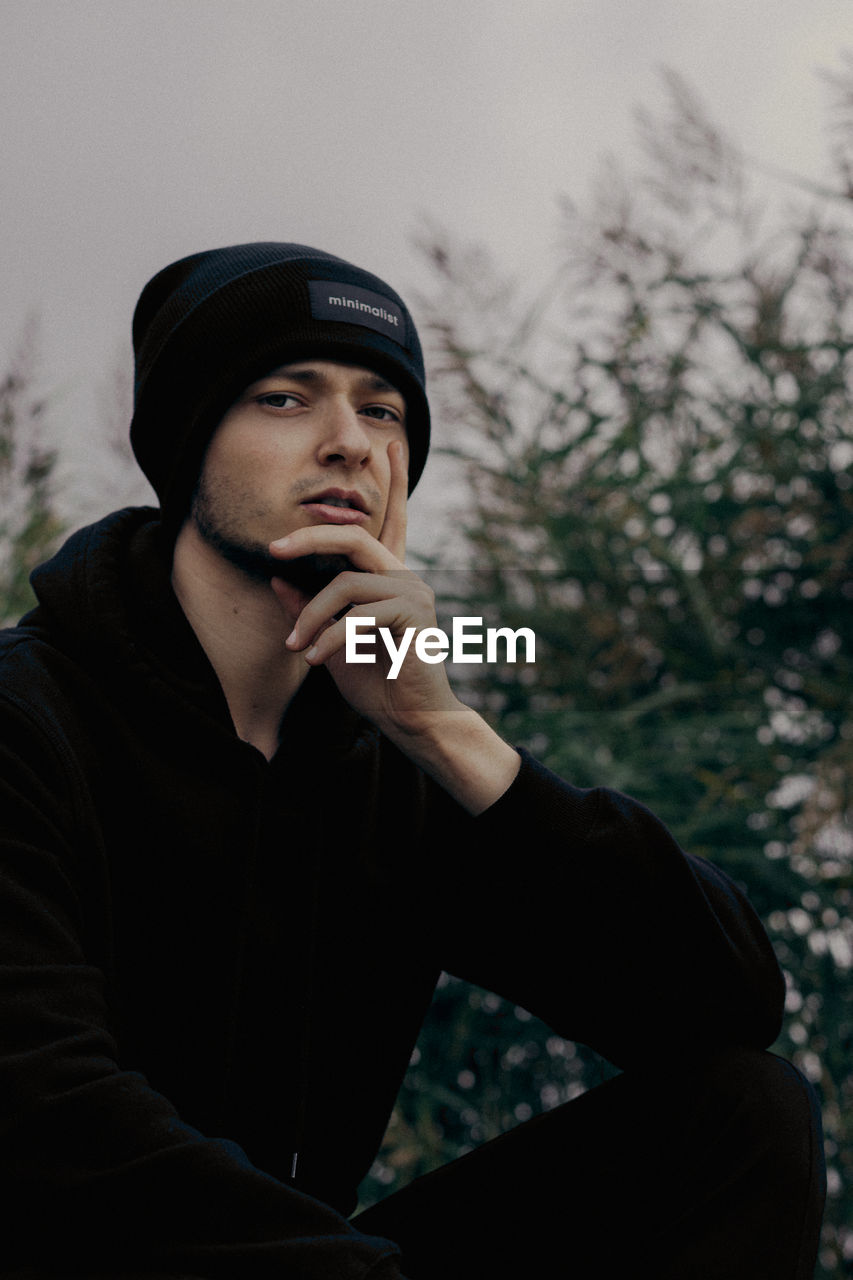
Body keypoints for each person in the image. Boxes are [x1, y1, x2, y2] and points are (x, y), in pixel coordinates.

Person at [0, 241, 825, 1279]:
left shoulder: (385, 757)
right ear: (185, 441)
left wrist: (445, 731)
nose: (349, 441)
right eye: (284, 398)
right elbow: (40, 1119)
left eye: (383, 410)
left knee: (743, 1113)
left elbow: (725, 1002)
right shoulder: (29, 717)